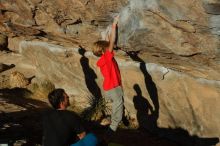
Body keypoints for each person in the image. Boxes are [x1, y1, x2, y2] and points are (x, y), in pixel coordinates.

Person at [92, 16, 124, 133]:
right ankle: (113, 127)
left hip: (109, 88)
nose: (110, 47)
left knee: (117, 105)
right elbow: (111, 42)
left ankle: (112, 120)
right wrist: (114, 25)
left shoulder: (102, 59)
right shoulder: (107, 57)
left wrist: (107, 33)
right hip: (113, 87)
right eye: (106, 47)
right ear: (103, 51)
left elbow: (108, 42)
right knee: (118, 105)